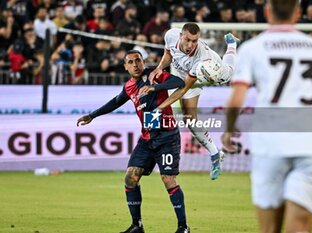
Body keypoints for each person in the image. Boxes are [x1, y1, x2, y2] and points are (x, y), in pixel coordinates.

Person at [222, 0, 312, 233]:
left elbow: (235, 101)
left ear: (267, 11)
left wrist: (229, 130)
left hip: (271, 143)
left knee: (269, 229)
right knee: (299, 228)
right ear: (298, 13)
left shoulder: (253, 48)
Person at [77, 50, 190, 233]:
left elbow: (179, 82)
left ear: (143, 62)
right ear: (125, 66)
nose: (135, 65)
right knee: (130, 177)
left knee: (168, 179)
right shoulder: (129, 86)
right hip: (147, 139)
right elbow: (115, 102)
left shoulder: (154, 75)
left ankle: (183, 227)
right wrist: (92, 115)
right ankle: (137, 226)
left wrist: (155, 87)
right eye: (130, 62)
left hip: (167, 137)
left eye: (138, 60)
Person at [147, 22, 240, 180]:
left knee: (230, 71)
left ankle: (231, 44)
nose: (191, 45)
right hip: (188, 75)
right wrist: (160, 67)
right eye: (188, 40)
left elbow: (183, 89)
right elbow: (168, 53)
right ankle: (215, 153)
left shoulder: (200, 57)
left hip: (210, 72)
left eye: (195, 41)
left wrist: (160, 108)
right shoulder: (170, 35)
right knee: (189, 119)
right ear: (181, 36)